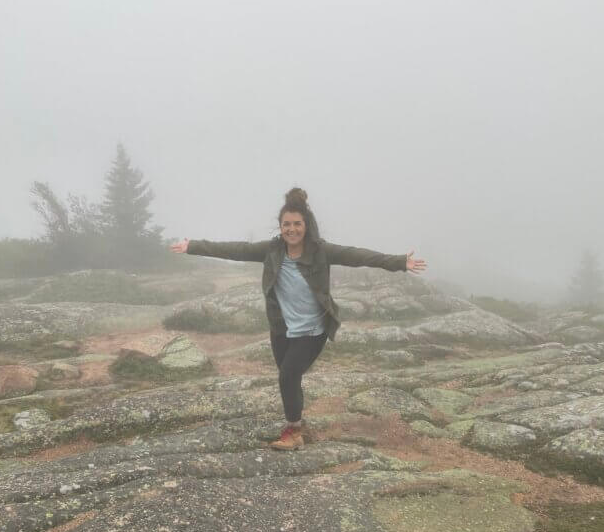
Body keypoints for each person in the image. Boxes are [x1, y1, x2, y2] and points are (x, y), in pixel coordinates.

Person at [171, 188, 427, 450]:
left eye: (297, 224)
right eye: (286, 224)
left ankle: (293, 432)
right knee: (290, 378)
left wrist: (398, 262)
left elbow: (357, 255)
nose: (292, 229)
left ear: (306, 225)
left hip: (312, 331)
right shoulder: (272, 250)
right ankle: (299, 425)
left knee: (287, 377)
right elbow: (236, 250)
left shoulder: (320, 251)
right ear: (280, 226)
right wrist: (192, 246)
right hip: (281, 329)